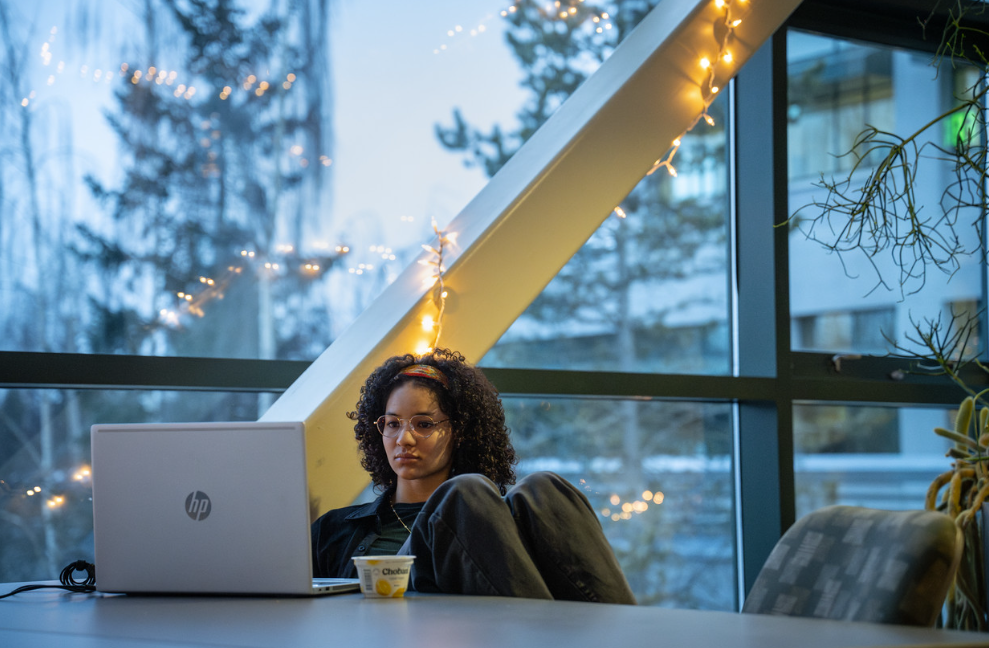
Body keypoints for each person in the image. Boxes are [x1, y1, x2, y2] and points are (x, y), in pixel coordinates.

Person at [310, 348, 636, 604]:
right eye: (393, 424)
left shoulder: (497, 514)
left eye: (423, 424)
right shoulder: (335, 529)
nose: (403, 439)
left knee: (543, 488)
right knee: (465, 492)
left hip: (485, 632)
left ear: (460, 432)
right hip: (392, 629)